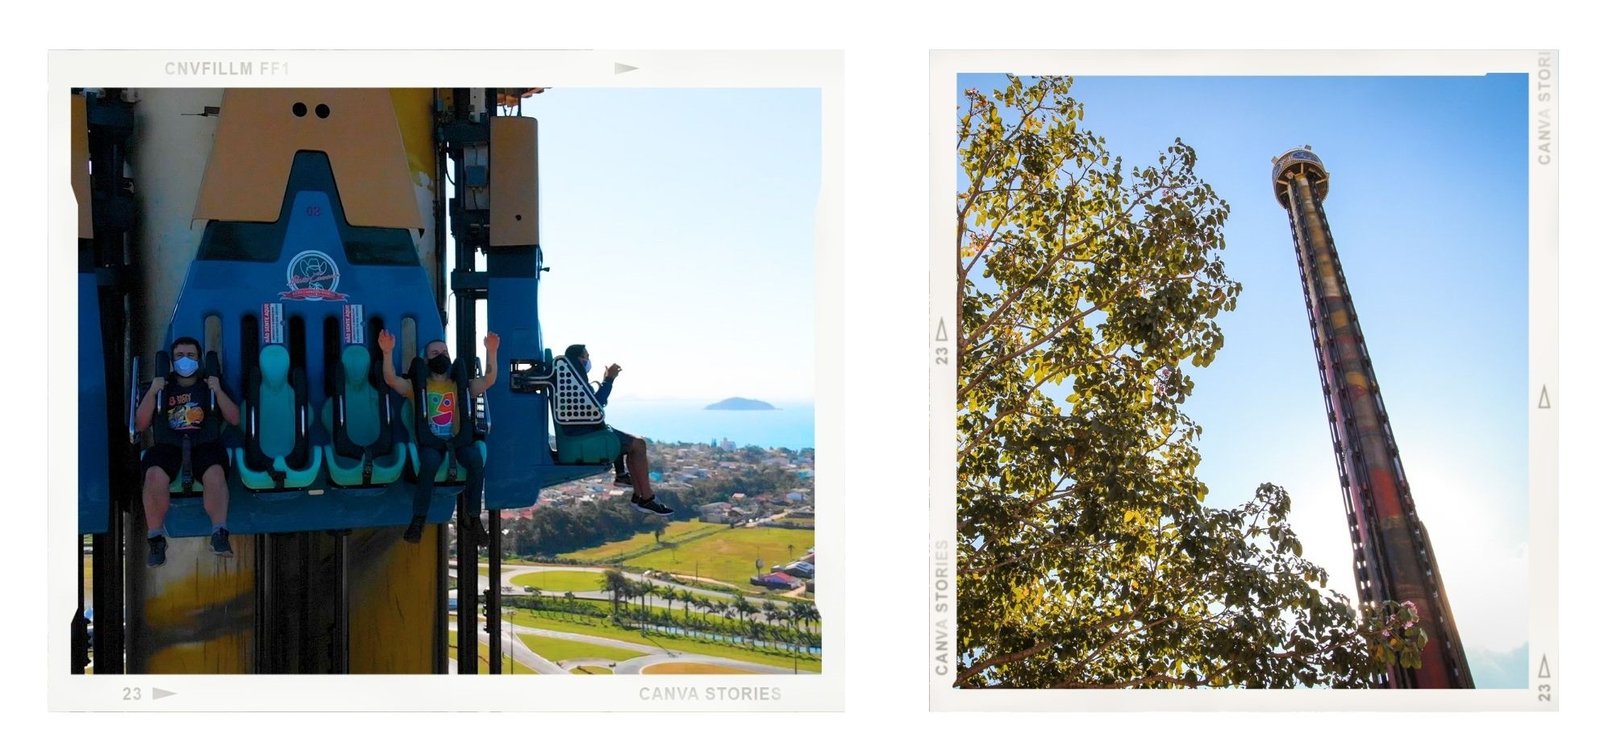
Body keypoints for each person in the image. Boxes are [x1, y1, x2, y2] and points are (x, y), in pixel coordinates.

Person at [379, 330, 498, 545]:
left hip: (458, 441)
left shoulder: (460, 385)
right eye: (435, 353)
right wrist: (387, 352)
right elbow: (391, 379)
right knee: (430, 462)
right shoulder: (416, 387)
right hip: (431, 444)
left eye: (444, 352)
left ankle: (473, 519)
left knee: (474, 459)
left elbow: (488, 379)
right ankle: (418, 520)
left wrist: (491, 351)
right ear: (426, 359)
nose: (441, 356)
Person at [134, 336, 241, 567]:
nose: (185, 360)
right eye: (180, 356)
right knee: (153, 475)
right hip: (168, 445)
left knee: (215, 473)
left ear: (199, 359)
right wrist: (152, 392)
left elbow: (234, 418)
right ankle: (156, 539)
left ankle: (219, 534)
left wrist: (218, 390)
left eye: (191, 356)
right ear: (172, 361)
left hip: (205, 444)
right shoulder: (162, 387)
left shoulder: (210, 385)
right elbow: (141, 425)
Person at [564, 344, 673, 516]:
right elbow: (596, 405)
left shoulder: (570, 379)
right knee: (638, 445)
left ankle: (633, 487)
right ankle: (645, 497)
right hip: (587, 434)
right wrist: (609, 379)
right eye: (585, 356)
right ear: (577, 359)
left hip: (584, 430)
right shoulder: (574, 381)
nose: (588, 360)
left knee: (633, 444)